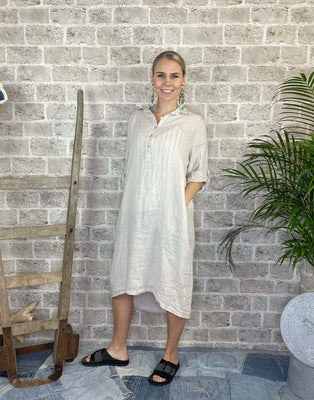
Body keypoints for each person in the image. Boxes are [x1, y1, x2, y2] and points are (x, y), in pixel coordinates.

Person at [82, 51, 209, 386]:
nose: (167, 82)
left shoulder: (192, 123)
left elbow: (198, 174)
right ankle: (117, 348)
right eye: (161, 75)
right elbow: (133, 168)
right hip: (134, 214)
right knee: (124, 274)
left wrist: (175, 207)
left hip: (172, 220)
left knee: (173, 278)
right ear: (152, 79)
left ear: (183, 80)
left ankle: (171, 354)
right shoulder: (137, 119)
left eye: (174, 75)